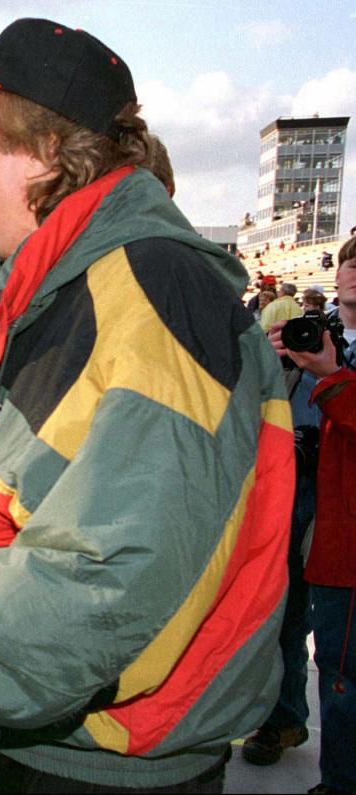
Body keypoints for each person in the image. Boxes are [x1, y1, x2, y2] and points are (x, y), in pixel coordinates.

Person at [0, 18, 293, 793]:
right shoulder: (63, 287)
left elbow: (105, 578)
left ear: (40, 153)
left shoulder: (147, 293)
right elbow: (19, 499)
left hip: (95, 761)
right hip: (39, 731)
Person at [269, 238, 356, 795]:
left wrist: (330, 374)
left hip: (345, 511)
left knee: (343, 657)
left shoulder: (327, 355)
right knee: (281, 613)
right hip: (297, 484)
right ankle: (281, 718)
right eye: (351, 263)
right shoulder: (314, 334)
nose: (355, 274)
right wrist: (279, 363)